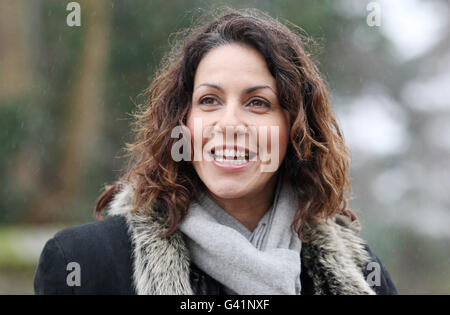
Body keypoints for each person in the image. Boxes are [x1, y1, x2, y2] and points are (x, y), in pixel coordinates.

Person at [34, 7, 397, 295]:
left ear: (295, 128)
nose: (229, 123)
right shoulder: (84, 263)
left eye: (257, 103)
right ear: (183, 122)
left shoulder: (361, 275)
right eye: (209, 100)